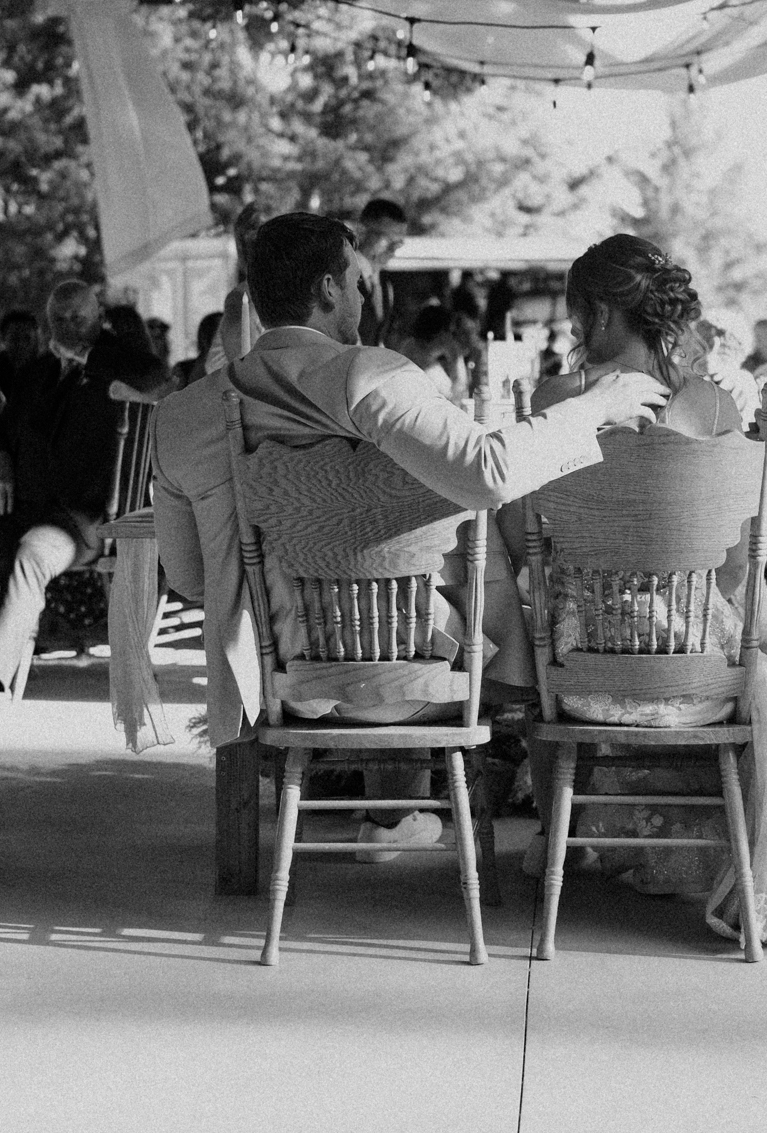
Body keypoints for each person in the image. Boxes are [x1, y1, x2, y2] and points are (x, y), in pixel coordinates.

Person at [149, 213, 668, 857]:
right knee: (488, 601)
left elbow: (191, 578)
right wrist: (593, 407)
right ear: (329, 290)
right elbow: (487, 471)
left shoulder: (179, 418)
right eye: (360, 284)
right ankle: (493, 826)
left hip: (273, 678)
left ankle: (379, 812)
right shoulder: (370, 378)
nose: (369, 299)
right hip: (413, 672)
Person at [528, 235, 767, 943]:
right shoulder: (711, 406)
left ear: (602, 316)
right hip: (701, 677)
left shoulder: (556, 399)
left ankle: (561, 836)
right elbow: (735, 570)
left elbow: (528, 531)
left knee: (530, 615)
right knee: (746, 635)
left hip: (581, 673)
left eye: (580, 313)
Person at [0, 284, 166, 722]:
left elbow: (158, 378)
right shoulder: (37, 372)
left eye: (77, 318)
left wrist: (90, 358)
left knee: (31, 553)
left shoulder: (120, 361)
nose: (67, 328)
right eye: (59, 320)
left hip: (83, 520)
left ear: (98, 316)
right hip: (22, 511)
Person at [355, 197, 409, 346]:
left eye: (399, 242)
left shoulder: (386, 285)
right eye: (387, 239)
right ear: (361, 231)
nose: (393, 249)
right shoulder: (339, 276)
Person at [0, 309, 41, 400]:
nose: (21, 345)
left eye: (27, 338)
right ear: (3, 339)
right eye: (15, 338)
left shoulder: (47, 374)